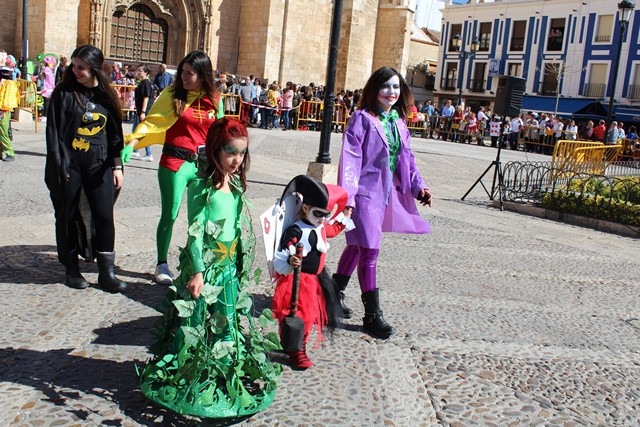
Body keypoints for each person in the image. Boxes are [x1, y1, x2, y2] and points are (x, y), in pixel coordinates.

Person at [138, 117, 281, 418]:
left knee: (227, 322)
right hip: (207, 269)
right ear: (215, 150)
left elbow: (238, 226)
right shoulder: (201, 188)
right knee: (196, 324)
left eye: (242, 153)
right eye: (231, 152)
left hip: (228, 267)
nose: (237, 160)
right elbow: (195, 231)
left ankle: (224, 379)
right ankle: (190, 378)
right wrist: (199, 271)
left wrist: (242, 262)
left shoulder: (237, 184)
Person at [334, 67, 433, 339]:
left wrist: (418, 186)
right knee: (369, 251)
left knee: (356, 246)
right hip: (364, 195)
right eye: (386, 86)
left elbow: (407, 160)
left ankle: (333, 292)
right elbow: (350, 160)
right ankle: (372, 315)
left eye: (396, 87)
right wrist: (349, 197)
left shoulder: (399, 123)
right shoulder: (361, 119)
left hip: (386, 194)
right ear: (374, 89)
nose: (391, 92)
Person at [121, 51, 224, 286]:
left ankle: (195, 267)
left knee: (198, 219)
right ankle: (161, 263)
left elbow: (220, 134)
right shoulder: (172, 94)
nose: (184, 77)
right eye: (183, 72)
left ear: (203, 75)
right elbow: (153, 121)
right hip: (174, 163)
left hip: (202, 166)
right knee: (170, 214)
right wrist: (132, 144)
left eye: (190, 73)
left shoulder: (215, 99)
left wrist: (226, 166)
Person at [44, 44, 127, 292]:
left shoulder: (106, 96)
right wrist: (61, 166)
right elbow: (55, 134)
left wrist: (117, 166)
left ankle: (106, 273)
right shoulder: (64, 92)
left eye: (81, 67)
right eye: (74, 65)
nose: (75, 70)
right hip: (70, 164)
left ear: (95, 69)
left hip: (99, 164)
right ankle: (72, 269)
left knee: (104, 215)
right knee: (67, 216)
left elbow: (114, 135)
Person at [271, 175, 349, 369]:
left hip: (316, 280)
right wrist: (291, 258)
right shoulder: (297, 229)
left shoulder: (320, 225)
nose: (321, 218)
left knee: (309, 316)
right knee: (297, 315)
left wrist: (344, 218)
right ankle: (296, 349)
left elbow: (332, 230)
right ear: (305, 208)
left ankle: (295, 345)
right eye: (317, 213)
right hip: (298, 280)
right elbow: (286, 247)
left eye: (325, 214)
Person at [130, 64, 154, 161]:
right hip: (139, 110)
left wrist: (143, 112)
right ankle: (136, 150)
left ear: (146, 72)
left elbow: (146, 97)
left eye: (140, 71)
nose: (138, 72)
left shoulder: (146, 83)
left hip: (143, 111)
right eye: (138, 70)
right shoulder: (141, 82)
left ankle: (149, 154)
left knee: (141, 132)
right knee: (136, 131)